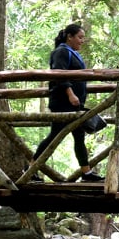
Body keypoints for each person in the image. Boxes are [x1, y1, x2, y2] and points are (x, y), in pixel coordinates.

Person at [38, 22, 103, 182]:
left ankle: (86, 173)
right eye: (80, 37)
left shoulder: (72, 53)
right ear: (70, 37)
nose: (82, 41)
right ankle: (31, 166)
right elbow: (58, 74)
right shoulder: (61, 52)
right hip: (62, 103)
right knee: (54, 136)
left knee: (79, 136)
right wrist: (71, 94)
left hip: (74, 104)